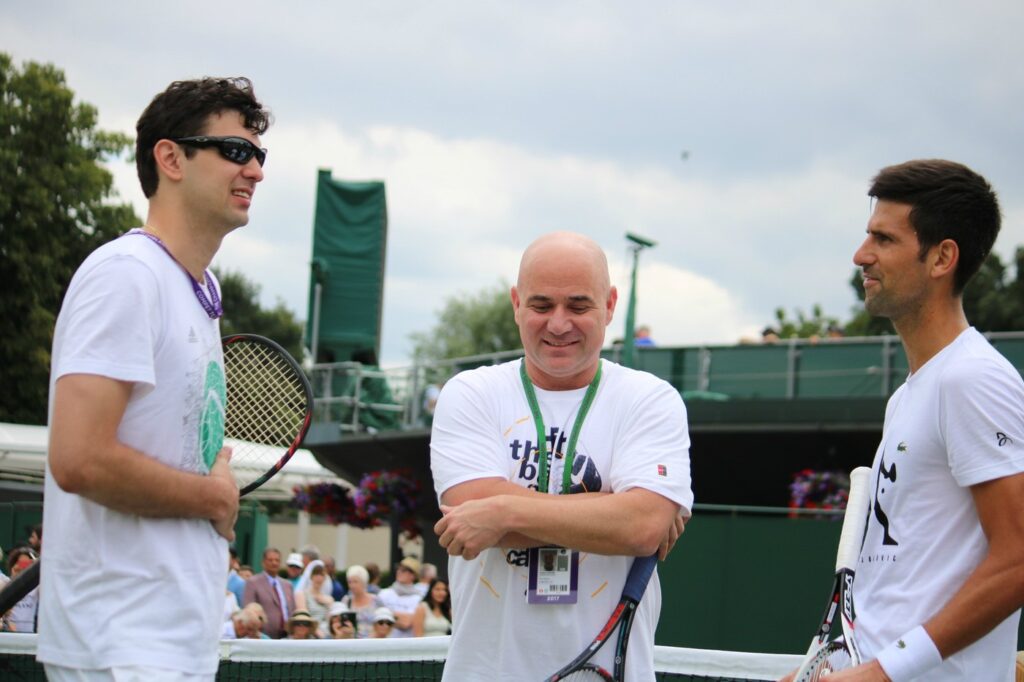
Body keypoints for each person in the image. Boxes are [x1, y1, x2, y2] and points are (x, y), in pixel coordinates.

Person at [38, 76, 270, 681]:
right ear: (170, 158)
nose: (256, 172)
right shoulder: (125, 275)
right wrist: (212, 495)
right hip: (121, 645)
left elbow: (188, 439)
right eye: (237, 152)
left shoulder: (200, 290)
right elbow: (78, 458)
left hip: (172, 643)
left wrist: (214, 472)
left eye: (259, 155)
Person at [781, 160, 1024, 682]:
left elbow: (1019, 559)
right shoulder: (910, 395)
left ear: (942, 258)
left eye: (883, 239)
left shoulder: (973, 380)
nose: (860, 255)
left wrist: (882, 673)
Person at [430, 231, 692, 681]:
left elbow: (644, 525)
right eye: (541, 305)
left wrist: (503, 509)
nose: (558, 323)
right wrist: (614, 510)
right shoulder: (471, 393)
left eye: (578, 305)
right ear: (516, 303)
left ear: (609, 306)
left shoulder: (650, 399)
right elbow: (469, 521)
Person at [244, 547, 297, 639]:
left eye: (277, 560)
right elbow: (248, 609)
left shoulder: (287, 585)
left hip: (287, 636)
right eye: (270, 560)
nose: (274, 563)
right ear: (263, 562)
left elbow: (292, 610)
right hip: (263, 636)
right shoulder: (253, 582)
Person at [377, 557, 424, 638]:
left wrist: (389, 615)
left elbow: (407, 623)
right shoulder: (384, 593)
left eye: (404, 570)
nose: (399, 572)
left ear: (413, 575)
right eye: (398, 569)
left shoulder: (418, 598)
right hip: (386, 642)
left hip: (408, 643)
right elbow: (378, 618)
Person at [340, 564, 382, 638]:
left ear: (364, 582)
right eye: (350, 582)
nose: (352, 585)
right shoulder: (346, 600)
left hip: (372, 642)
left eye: (355, 582)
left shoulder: (375, 600)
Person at [295, 561, 334, 636]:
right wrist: (318, 633)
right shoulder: (302, 595)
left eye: (322, 575)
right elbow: (303, 617)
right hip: (309, 634)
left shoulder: (329, 599)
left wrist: (328, 604)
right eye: (316, 574)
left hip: (326, 635)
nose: (319, 578)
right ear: (311, 577)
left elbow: (330, 620)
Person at [5, 548, 39, 633]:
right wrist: (15, 573)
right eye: (20, 562)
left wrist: (36, 565)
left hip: (28, 633)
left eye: (26, 564)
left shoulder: (35, 588)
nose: (22, 566)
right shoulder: (6, 583)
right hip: (9, 631)